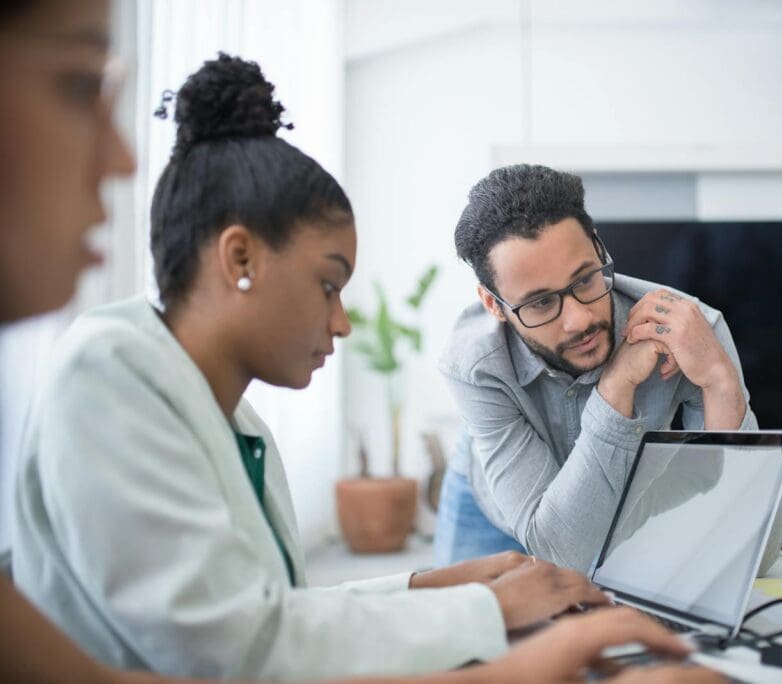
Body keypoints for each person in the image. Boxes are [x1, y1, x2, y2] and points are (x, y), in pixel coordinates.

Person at [5, 42, 724, 683]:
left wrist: (438, 588)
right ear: (240, 258)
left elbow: (269, 616)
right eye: (329, 283)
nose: (343, 322)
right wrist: (497, 637)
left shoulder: (229, 417)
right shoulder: (110, 371)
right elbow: (236, 653)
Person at [435, 164, 782, 572]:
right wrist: (616, 385)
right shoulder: (474, 366)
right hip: (496, 512)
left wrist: (719, 379)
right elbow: (562, 554)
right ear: (494, 305)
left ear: (599, 249)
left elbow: (756, 552)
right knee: (473, 629)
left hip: (627, 506)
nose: (580, 320)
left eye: (585, 279)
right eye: (540, 303)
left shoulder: (691, 331)